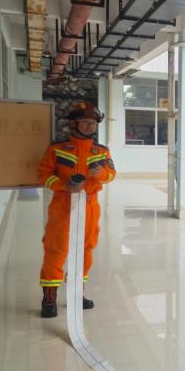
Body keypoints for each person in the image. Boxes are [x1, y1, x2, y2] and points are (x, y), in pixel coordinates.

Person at [37, 100, 116, 318]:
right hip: (63, 205)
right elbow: (43, 174)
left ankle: (76, 293)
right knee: (56, 250)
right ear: (74, 123)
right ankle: (49, 298)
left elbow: (111, 175)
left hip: (89, 206)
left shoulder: (101, 151)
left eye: (94, 123)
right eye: (86, 122)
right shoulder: (57, 149)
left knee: (85, 250)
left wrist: (100, 173)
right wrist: (64, 186)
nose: (91, 126)